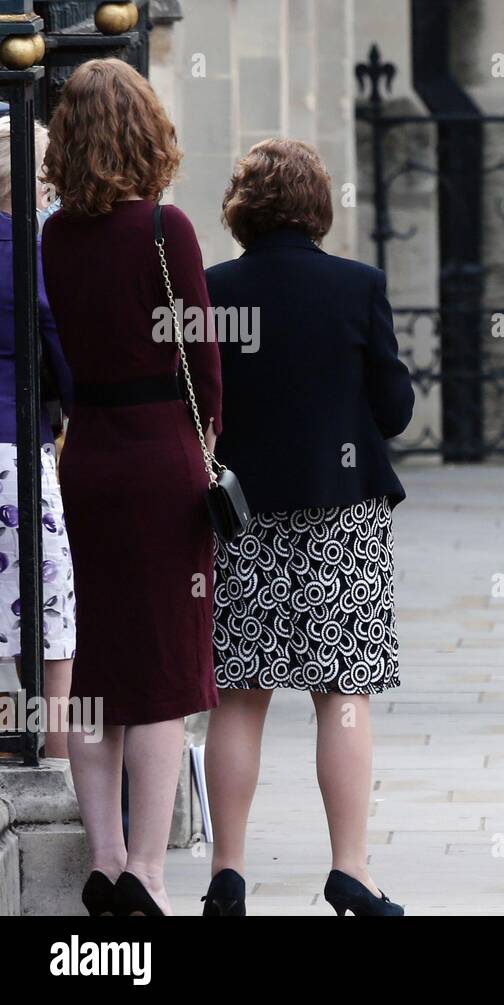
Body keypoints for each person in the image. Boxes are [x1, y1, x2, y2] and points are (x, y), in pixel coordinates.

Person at [200, 139, 414, 917]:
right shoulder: (358, 286)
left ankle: (227, 871)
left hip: (243, 518)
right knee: (343, 695)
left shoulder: (213, 290)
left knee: (237, 695)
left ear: (241, 208)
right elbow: (394, 409)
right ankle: (350, 869)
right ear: (320, 206)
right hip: (341, 516)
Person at [40, 59, 222, 916]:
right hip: (161, 457)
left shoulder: (50, 237)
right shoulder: (165, 228)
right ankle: (149, 869)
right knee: (164, 676)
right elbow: (205, 358)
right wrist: (207, 434)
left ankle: (104, 861)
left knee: (96, 670)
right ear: (147, 129)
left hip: (86, 460)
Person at [0, 117, 76, 761]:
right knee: (46, 612)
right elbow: (55, 338)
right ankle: (49, 756)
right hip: (15, 450)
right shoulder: (30, 247)